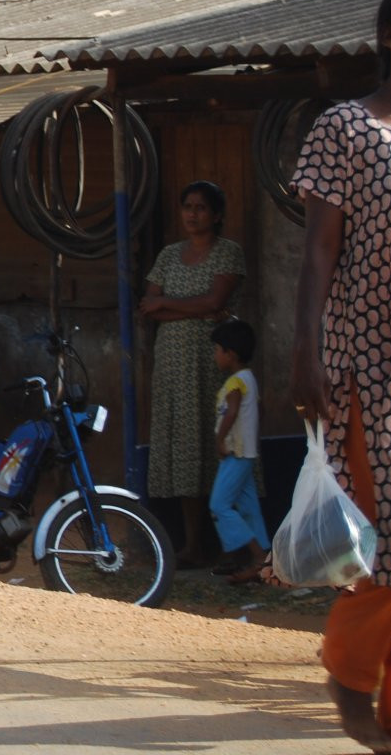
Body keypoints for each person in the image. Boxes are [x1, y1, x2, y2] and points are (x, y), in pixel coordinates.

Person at [292, 0, 391, 754]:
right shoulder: (347, 128)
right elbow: (320, 248)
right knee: (387, 541)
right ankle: (351, 673)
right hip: (367, 363)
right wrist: (305, 351)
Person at [139, 179, 245, 567]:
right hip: (173, 363)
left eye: (201, 207)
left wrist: (167, 303)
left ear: (216, 215)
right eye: (187, 206)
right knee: (186, 450)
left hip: (211, 362)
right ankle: (192, 544)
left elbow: (216, 300)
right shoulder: (169, 255)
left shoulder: (228, 253)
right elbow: (146, 305)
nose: (192, 214)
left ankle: (232, 547)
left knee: (217, 445)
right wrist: (194, 308)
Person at [208, 318, 266, 582]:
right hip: (247, 453)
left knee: (219, 504)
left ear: (229, 354)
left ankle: (257, 557)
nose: (215, 355)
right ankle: (264, 562)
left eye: (217, 350)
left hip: (236, 454)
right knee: (249, 507)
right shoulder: (249, 379)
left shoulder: (235, 383)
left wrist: (220, 440)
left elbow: (231, 413)